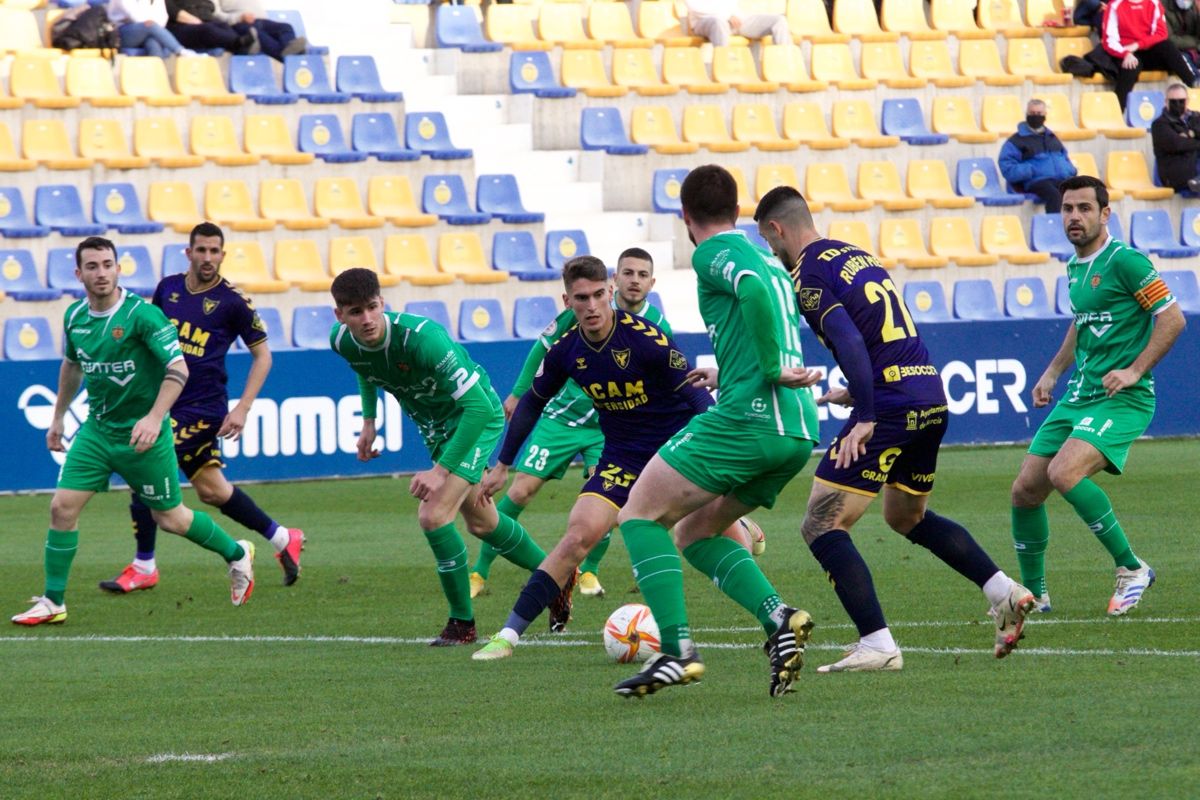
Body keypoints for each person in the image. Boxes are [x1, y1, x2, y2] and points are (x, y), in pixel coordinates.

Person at [753, 186, 1037, 669]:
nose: (773, 253)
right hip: (927, 393)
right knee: (906, 517)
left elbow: (847, 338)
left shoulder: (809, 275)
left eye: (769, 242)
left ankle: (878, 644)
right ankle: (1003, 591)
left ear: (777, 229)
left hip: (887, 406)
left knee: (822, 523)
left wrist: (865, 413)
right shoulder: (853, 255)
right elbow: (880, 332)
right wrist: (859, 390)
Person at [610, 164, 823, 698]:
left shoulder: (713, 254)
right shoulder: (770, 259)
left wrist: (767, 369)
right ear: (735, 209)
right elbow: (761, 307)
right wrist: (733, 369)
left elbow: (749, 294)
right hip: (795, 431)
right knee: (693, 532)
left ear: (686, 216)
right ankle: (779, 619)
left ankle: (676, 653)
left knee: (638, 514)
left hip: (748, 420)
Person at [471, 255, 721, 662]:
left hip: (670, 455)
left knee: (708, 537)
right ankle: (507, 636)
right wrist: (502, 464)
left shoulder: (648, 338)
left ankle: (772, 611)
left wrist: (716, 448)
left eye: (597, 295)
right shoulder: (565, 351)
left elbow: (695, 395)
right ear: (567, 300)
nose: (590, 306)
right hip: (620, 456)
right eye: (580, 298)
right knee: (576, 537)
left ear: (610, 292)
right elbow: (532, 403)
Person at [12, 237, 255, 626]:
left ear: (118, 269)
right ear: (79, 274)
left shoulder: (143, 316)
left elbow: (179, 370)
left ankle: (237, 552)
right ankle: (53, 601)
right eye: (92, 266)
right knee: (61, 508)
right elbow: (72, 365)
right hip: (97, 432)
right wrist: (57, 417)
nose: (101, 272)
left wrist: (155, 417)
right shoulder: (74, 317)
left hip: (145, 436)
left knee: (171, 518)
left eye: (108, 264)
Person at [329, 268, 555, 645]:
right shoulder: (342, 341)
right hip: (435, 427)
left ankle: (462, 625)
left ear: (382, 303)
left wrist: (440, 470)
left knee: (433, 515)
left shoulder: (423, 339)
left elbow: (481, 408)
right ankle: (556, 577)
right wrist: (369, 421)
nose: (366, 319)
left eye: (372, 307)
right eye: (355, 312)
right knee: (483, 524)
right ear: (340, 316)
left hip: (475, 418)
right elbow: (364, 367)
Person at [1011, 175, 1185, 616]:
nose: (1074, 217)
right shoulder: (1075, 266)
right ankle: (1036, 596)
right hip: (1079, 395)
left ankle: (1132, 568)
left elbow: (1172, 318)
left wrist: (1133, 370)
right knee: (1025, 490)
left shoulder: (1126, 262)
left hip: (1123, 398)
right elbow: (1082, 321)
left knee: (1064, 473)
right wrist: (1052, 371)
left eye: (1084, 208)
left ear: (1105, 214)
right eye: (1068, 209)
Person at [100, 223, 304, 595]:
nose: (208, 257)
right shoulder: (168, 289)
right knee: (211, 490)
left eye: (215, 251)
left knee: (141, 457)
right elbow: (148, 338)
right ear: (189, 253)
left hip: (203, 408)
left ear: (222, 255)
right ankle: (281, 537)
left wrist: (241, 408)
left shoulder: (233, 302)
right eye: (201, 250)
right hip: (164, 400)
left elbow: (263, 356)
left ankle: (145, 565)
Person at [1102, 0, 1195, 109]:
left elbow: (1161, 33)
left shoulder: (1153, 3)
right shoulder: (1114, 5)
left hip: (1147, 50)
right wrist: (1125, 54)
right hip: (1126, 52)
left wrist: (1138, 45)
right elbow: (1109, 40)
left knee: (1167, 47)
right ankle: (1117, 111)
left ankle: (1193, 84)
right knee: (1131, 66)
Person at [998, 99, 1078, 213]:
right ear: (1027, 114)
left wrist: (1070, 170)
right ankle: (1054, 228)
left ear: (1045, 115)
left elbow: (1064, 158)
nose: (1036, 116)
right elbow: (1006, 167)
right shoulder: (1016, 140)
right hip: (1037, 181)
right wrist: (1030, 170)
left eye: (1039, 114)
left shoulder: (1052, 137)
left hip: (1059, 179)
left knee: (1080, 193)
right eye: (1032, 113)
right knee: (1054, 195)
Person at [213, 0, 307, 60]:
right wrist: (239, 18)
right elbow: (214, 14)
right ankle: (290, 56)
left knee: (286, 27)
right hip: (240, 23)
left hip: (262, 20)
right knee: (259, 35)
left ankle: (289, 50)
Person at [1150, 83, 1200, 192]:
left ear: (1187, 101)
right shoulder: (1159, 124)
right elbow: (1177, 144)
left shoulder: (1195, 117)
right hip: (1175, 174)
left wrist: (1189, 135)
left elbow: (1184, 143)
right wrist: (1196, 137)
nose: (1177, 104)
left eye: (1181, 101)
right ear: (1166, 102)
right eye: (1173, 101)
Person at [684, 0, 791, 47]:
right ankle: (724, 67)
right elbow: (695, 7)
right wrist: (727, 15)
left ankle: (785, 64)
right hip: (705, 21)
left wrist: (733, 15)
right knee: (718, 23)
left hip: (735, 20)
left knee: (779, 21)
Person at [107, 0, 192, 58]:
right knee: (150, 27)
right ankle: (180, 51)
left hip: (148, 30)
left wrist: (155, 27)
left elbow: (163, 16)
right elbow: (137, 17)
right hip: (120, 33)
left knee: (152, 40)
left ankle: (157, 76)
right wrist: (153, 25)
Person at [165, 0, 255, 54]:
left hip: (204, 23)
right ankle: (237, 43)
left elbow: (210, 6)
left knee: (223, 25)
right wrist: (194, 19)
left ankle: (241, 47)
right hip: (179, 27)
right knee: (207, 29)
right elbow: (172, 10)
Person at [1164, 0, 1200, 72]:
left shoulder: (1195, 5)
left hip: (1196, 50)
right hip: (1176, 52)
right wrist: (1196, 42)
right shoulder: (1163, 7)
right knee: (1183, 60)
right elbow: (1169, 39)